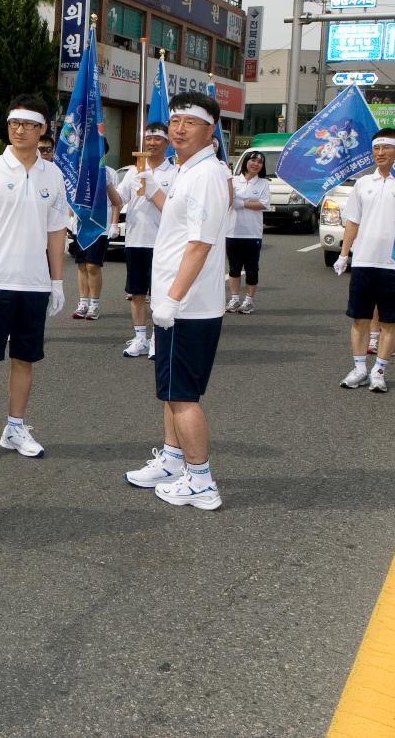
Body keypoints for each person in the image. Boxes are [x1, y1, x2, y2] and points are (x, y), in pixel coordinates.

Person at [123, 91, 230, 511]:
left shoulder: (206, 175)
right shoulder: (188, 171)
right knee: (170, 388)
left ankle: (201, 479)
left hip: (187, 306)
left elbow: (200, 245)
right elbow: (179, 224)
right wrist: (150, 191)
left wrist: (171, 297)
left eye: (190, 121)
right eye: (175, 120)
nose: (178, 128)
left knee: (183, 395)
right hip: (177, 303)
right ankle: (172, 460)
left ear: (210, 129)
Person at [0, 95, 67, 463]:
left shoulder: (53, 175)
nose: (19, 130)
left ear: (43, 130)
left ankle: (16, 427)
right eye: (13, 123)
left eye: (28, 124)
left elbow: (56, 233)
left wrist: (57, 282)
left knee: (24, 359)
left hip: (34, 285)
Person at [333, 128, 395, 394]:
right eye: (376, 148)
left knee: (389, 322)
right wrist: (344, 254)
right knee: (360, 319)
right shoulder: (363, 184)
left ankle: (379, 370)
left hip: (394, 263)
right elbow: (353, 221)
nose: (380, 153)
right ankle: (360, 368)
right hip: (364, 261)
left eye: (387, 148)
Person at [115, 122, 176, 357]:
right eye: (148, 138)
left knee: (160, 294)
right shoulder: (133, 171)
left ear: (166, 143)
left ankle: (156, 340)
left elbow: (175, 209)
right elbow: (118, 199)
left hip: (162, 243)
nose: (152, 143)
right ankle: (140, 338)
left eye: (157, 139)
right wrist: (105, 183)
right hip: (135, 241)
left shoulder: (174, 173)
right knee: (137, 293)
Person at [68, 145, 123, 321]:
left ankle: (94, 305)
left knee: (93, 265)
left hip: (99, 226)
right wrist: (69, 218)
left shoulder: (106, 173)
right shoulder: (76, 171)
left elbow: (116, 201)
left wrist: (114, 224)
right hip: (80, 225)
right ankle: (83, 303)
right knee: (82, 265)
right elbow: (71, 198)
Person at [225, 149, 271, 314]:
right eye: (253, 160)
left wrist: (243, 203)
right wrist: (246, 201)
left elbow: (264, 203)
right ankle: (235, 298)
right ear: (245, 161)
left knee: (252, 268)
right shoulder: (234, 181)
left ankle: (249, 301)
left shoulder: (263, 183)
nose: (256, 164)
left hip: (252, 233)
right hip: (232, 231)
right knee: (234, 267)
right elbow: (227, 200)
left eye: (259, 162)